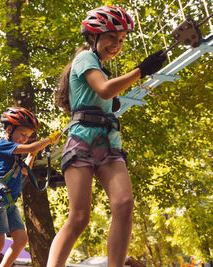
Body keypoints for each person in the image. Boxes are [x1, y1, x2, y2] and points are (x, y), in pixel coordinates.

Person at [47, 6, 167, 267]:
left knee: (124, 204)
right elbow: (103, 90)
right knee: (79, 217)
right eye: (112, 37)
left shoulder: (100, 66)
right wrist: (141, 70)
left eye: (122, 39)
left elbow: (104, 95)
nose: (117, 44)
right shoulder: (85, 59)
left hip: (108, 142)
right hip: (81, 141)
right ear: (93, 36)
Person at [0, 107, 61, 267]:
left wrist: (32, 155)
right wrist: (49, 139)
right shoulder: (3, 146)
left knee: (20, 240)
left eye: (28, 137)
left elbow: (25, 170)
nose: (25, 139)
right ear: (10, 129)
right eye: (23, 134)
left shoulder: (16, 154)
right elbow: (32, 147)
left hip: (10, 203)